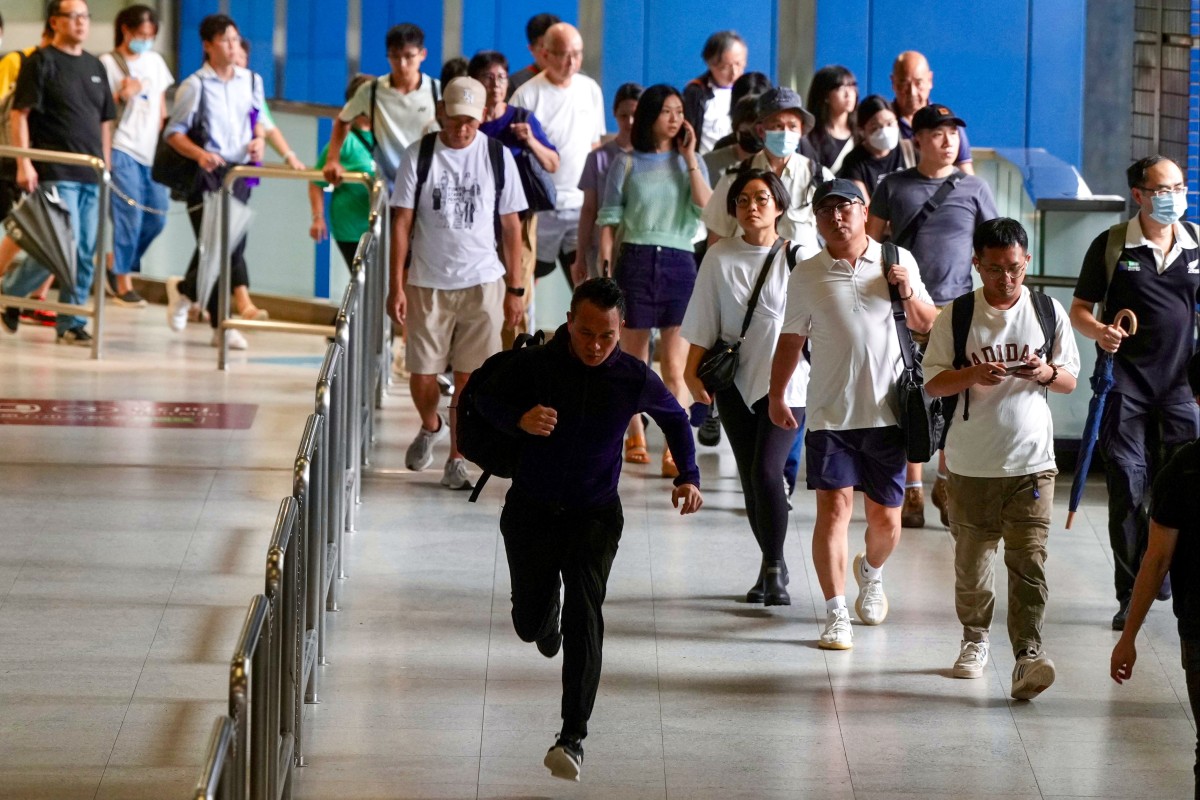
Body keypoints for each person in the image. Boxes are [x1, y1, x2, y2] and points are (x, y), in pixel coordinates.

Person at [473, 277, 702, 782]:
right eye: (585, 333)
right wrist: (520, 419)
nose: (596, 346)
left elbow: (676, 419)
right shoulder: (536, 363)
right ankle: (543, 619)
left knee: (586, 611)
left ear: (621, 331)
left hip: (593, 514)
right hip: (530, 510)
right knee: (529, 622)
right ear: (569, 323)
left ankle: (572, 736)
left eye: (607, 336)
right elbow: (482, 400)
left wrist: (688, 475)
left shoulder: (631, 376)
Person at [769, 179, 936, 650]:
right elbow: (790, 340)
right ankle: (835, 611)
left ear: (864, 212)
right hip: (830, 414)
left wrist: (905, 292)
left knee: (886, 520)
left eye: (844, 209)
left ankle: (871, 571)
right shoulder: (806, 272)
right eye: (825, 212)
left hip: (889, 415)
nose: (836, 218)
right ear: (816, 220)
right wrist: (778, 394)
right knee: (833, 509)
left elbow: (928, 326)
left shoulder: (896, 259)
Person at [923, 217, 1079, 698]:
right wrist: (972, 376)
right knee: (972, 565)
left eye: (1014, 268)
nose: (1005, 279)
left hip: (1032, 463)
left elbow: (1070, 377)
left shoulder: (1049, 311)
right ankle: (975, 637)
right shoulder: (958, 315)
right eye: (994, 269)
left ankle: (1028, 655)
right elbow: (932, 382)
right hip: (971, 466)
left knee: (1029, 561)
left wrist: (1044, 371)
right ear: (976, 264)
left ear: (1026, 262)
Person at [1070, 154, 1200, 630]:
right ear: (1140, 195)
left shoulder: (1195, 244)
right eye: (1163, 190)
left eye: (1180, 187)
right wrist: (1099, 331)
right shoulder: (1111, 246)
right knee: (1127, 486)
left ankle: (1173, 573)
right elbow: (1080, 307)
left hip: (1182, 388)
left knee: (1183, 485)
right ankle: (1131, 593)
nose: (1174, 198)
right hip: (1124, 387)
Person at [388, 77, 526, 490]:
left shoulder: (497, 156)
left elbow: (512, 227)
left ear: (483, 116)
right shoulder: (421, 155)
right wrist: (396, 285)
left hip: (483, 281)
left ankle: (457, 458)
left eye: (469, 120)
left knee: (471, 378)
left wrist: (515, 290)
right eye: (453, 119)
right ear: (440, 113)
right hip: (427, 281)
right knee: (422, 373)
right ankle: (431, 425)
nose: (461, 128)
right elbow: (402, 223)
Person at [866, 103, 998, 529]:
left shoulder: (974, 188)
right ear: (917, 140)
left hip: (957, 308)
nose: (948, 141)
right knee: (911, 396)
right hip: (903, 311)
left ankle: (944, 479)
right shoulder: (893, 185)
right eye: (938, 134)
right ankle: (913, 489)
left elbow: (994, 247)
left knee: (956, 397)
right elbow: (869, 245)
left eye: (954, 133)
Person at [682, 168, 807, 604]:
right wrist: (689, 374)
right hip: (735, 382)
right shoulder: (718, 257)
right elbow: (703, 319)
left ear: (779, 205)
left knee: (768, 471)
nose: (751, 207)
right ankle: (772, 563)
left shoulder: (799, 258)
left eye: (761, 198)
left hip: (789, 384)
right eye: (742, 201)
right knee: (754, 481)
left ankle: (773, 569)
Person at [596, 84, 710, 476]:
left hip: (680, 262)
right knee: (632, 360)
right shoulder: (625, 162)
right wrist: (605, 267)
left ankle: (675, 445)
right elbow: (609, 221)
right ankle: (635, 433)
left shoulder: (690, 162)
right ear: (649, 116)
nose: (676, 118)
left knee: (676, 367)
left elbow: (706, 208)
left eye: (679, 111)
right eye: (667, 111)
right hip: (636, 260)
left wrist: (691, 158)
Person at [1111, 350, 1200, 800]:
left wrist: (1128, 637)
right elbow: (1156, 561)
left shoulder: (1183, 470)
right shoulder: (1180, 471)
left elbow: (1156, 560)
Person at [0, 0, 114, 346]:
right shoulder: (41, 61)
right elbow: (20, 114)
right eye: (73, 16)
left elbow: (105, 121)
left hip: (90, 173)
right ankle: (21, 298)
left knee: (83, 253)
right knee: (62, 248)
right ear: (55, 21)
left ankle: (64, 320)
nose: (81, 22)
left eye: (85, 16)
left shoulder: (96, 65)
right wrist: (24, 162)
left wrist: (106, 167)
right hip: (55, 171)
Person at [160, 13, 267, 351]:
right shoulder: (195, 85)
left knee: (230, 245)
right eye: (226, 40)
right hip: (206, 173)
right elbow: (173, 133)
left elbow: (258, 120)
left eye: (235, 39)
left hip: (239, 172)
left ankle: (185, 292)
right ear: (208, 45)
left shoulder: (251, 80)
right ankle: (222, 325)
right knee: (220, 248)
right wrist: (199, 154)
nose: (233, 46)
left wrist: (259, 140)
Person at [469, 49, 559, 345]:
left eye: (501, 77)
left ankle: (513, 363)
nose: (495, 84)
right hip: (475, 223)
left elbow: (552, 163)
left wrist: (530, 140)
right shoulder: (468, 124)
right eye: (488, 77)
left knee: (515, 294)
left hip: (518, 223)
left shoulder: (522, 119)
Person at [510, 22, 605, 290]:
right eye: (564, 54)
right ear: (545, 53)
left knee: (586, 286)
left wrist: (597, 197)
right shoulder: (526, 96)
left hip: (581, 207)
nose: (572, 61)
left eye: (578, 53)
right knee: (527, 280)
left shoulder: (590, 90)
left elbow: (595, 145)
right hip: (540, 208)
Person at [97, 4, 172, 308]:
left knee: (157, 215)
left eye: (150, 35)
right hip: (121, 147)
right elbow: (100, 111)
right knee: (129, 216)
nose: (145, 40)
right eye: (141, 34)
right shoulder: (106, 63)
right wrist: (122, 95)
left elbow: (161, 108)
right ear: (125, 31)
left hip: (149, 150)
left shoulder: (155, 62)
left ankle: (116, 261)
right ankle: (122, 281)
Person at [703, 86, 832, 255]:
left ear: (801, 131)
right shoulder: (735, 177)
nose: (785, 133)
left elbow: (835, 234)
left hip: (801, 277)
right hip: (746, 276)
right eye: (777, 126)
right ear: (761, 130)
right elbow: (716, 237)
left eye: (792, 126)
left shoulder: (819, 177)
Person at [323, 23, 439, 191]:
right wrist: (332, 159)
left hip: (428, 182)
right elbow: (342, 120)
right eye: (395, 57)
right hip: (388, 185)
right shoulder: (372, 91)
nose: (402, 64)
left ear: (423, 54)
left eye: (409, 56)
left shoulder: (436, 91)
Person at [571, 82, 640, 285]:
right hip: (601, 245)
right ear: (614, 114)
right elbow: (589, 209)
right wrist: (580, 255)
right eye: (623, 115)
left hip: (636, 245)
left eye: (635, 114)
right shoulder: (598, 157)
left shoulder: (651, 157)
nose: (630, 121)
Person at [309, 74, 376, 272]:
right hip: (351, 229)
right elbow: (315, 182)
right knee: (363, 283)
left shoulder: (383, 135)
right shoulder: (343, 141)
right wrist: (318, 218)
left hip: (379, 225)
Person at [890, 51, 973, 174]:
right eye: (904, 84)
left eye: (918, 83)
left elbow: (966, 174)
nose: (912, 92)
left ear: (930, 80)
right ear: (893, 82)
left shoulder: (948, 122)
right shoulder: (881, 123)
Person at [233, 38, 305, 171]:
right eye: (234, 56)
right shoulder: (203, 86)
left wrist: (290, 157)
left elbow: (269, 128)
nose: (237, 61)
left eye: (242, 57)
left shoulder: (252, 89)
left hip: (242, 166)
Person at [837, 94, 915, 204]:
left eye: (890, 123)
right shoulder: (854, 161)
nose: (885, 131)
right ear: (862, 131)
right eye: (875, 127)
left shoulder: (909, 150)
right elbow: (864, 207)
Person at [682, 30, 747, 154]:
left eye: (739, 64)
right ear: (710, 64)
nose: (734, 73)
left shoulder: (749, 90)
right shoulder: (696, 92)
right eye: (725, 67)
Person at [805, 65, 857, 173]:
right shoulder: (810, 137)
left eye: (852, 87)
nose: (849, 94)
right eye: (840, 88)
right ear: (825, 96)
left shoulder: (861, 132)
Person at [507, 12, 559, 98]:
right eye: (544, 46)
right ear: (531, 49)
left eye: (555, 44)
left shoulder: (579, 80)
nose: (551, 52)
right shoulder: (516, 84)